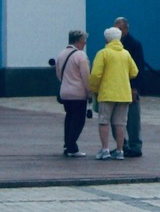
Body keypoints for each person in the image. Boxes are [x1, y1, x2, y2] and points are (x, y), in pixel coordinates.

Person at [88, 27, 138, 160]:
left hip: (107, 93)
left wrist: (93, 88)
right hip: (123, 94)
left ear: (106, 39)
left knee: (104, 121)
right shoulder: (126, 54)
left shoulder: (103, 53)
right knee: (120, 123)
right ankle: (120, 150)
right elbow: (134, 72)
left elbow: (96, 74)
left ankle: (105, 149)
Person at [114, 16, 148, 159]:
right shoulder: (112, 45)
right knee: (115, 119)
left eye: (119, 29)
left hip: (129, 86)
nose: (117, 32)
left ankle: (135, 145)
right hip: (116, 87)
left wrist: (135, 88)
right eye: (115, 29)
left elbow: (138, 67)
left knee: (133, 119)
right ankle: (122, 145)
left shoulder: (134, 44)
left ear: (126, 29)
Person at [54, 29, 90, 157]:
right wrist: (89, 92)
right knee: (78, 120)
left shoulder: (62, 54)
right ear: (78, 41)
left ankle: (67, 144)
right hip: (78, 93)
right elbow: (86, 76)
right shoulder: (80, 56)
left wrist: (66, 84)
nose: (85, 43)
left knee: (69, 117)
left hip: (65, 92)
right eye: (83, 40)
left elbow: (58, 73)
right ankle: (72, 146)